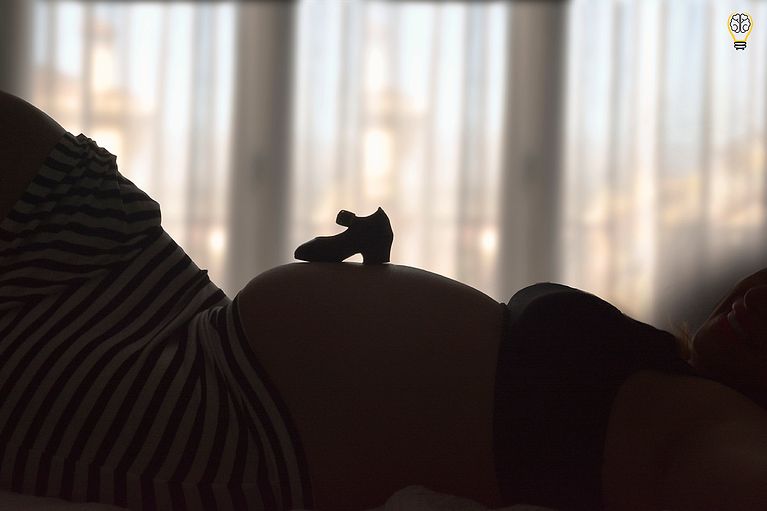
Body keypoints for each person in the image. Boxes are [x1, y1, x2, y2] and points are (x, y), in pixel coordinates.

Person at [1, 90, 766, 511]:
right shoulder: (672, 374)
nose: (760, 299)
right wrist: (375, 281)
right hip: (173, 304)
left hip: (217, 422)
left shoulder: (732, 439)